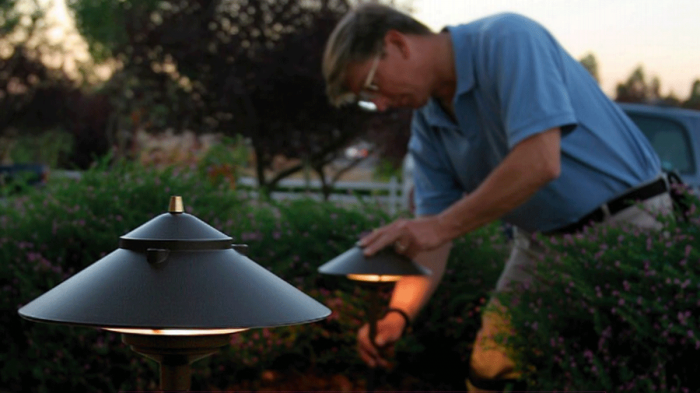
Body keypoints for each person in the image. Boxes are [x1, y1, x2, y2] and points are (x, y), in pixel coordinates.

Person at [322, 4, 673, 392]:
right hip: (541, 244)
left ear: (397, 43)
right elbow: (433, 241)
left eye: (372, 86)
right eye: (368, 100)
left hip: (630, 221)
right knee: (491, 364)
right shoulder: (429, 125)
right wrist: (396, 317)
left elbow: (540, 161)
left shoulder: (508, 40)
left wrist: (438, 226)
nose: (382, 105)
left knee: (624, 369)